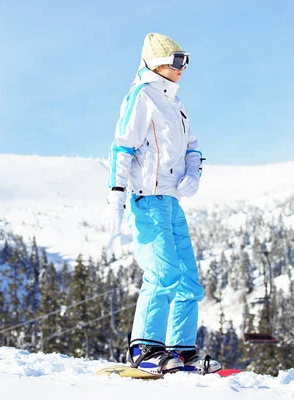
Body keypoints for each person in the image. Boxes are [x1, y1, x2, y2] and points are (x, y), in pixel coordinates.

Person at [103, 32, 221, 375]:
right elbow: (122, 147)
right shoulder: (142, 97)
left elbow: (193, 147)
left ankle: (181, 351)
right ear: (157, 63)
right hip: (147, 198)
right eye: (176, 60)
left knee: (188, 280)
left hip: (171, 201)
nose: (183, 68)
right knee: (163, 272)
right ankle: (144, 348)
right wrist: (116, 194)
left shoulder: (176, 104)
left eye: (185, 61)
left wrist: (193, 174)